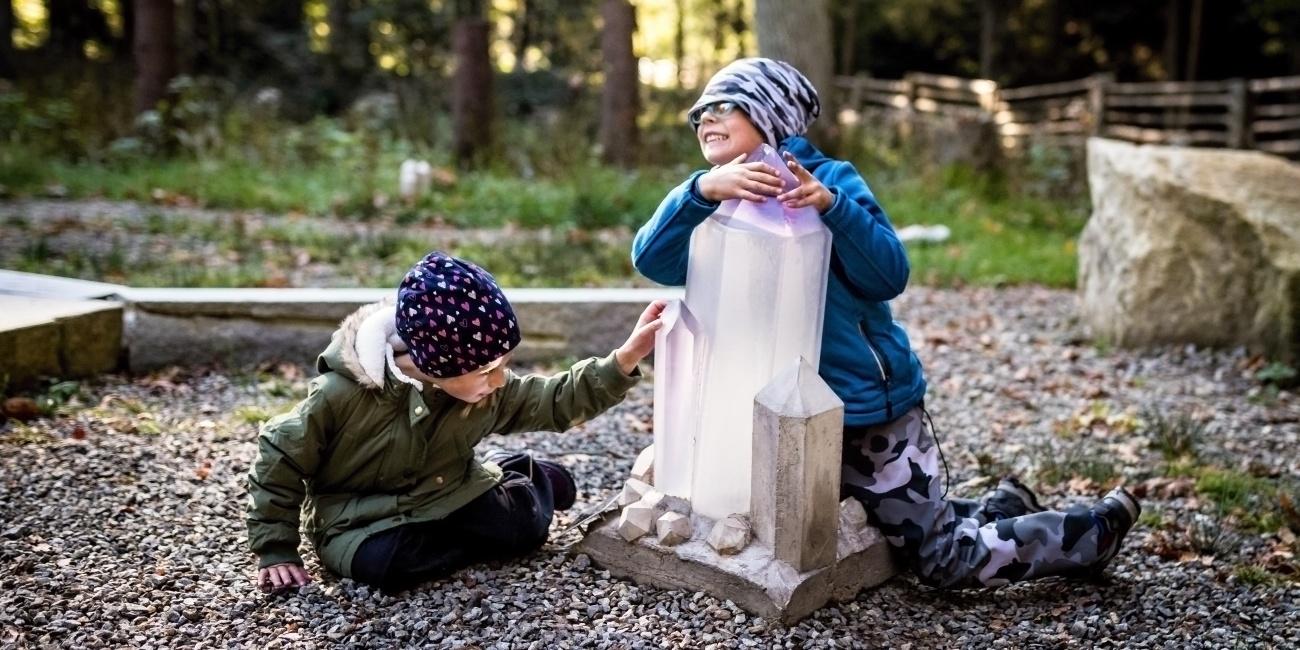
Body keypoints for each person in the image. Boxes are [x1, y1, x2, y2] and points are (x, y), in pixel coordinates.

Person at [631, 57, 1139, 588]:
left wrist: (832, 207)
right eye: (697, 113)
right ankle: (1002, 507)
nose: (703, 119)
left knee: (938, 560)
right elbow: (652, 260)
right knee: (878, 520)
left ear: (771, 113)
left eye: (722, 106)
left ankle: (1089, 534)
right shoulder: (708, 196)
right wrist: (699, 193)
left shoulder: (829, 180)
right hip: (785, 418)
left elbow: (888, 273)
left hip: (865, 413)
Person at [247, 251, 666, 593]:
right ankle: (507, 482)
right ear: (436, 364)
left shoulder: (485, 389)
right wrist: (277, 549)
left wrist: (622, 361)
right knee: (383, 566)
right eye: (486, 369)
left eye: (505, 364)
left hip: (454, 493)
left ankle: (529, 478)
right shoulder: (341, 394)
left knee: (523, 530)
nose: (498, 379)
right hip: (360, 518)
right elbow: (278, 456)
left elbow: (553, 400)